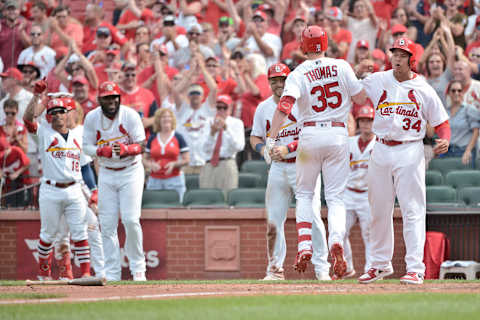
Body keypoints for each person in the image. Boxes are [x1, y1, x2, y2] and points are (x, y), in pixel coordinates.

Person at [267, 26, 366, 279]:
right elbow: (361, 99)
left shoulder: (298, 72)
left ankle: (304, 245)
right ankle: (336, 242)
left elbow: (284, 107)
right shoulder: (342, 66)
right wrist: (363, 79)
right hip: (337, 134)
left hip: (309, 135)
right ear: (326, 43)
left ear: (302, 46)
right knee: (335, 198)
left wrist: (271, 138)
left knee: (304, 194)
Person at [357, 37, 450, 285]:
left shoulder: (423, 88)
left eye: (402, 54)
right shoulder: (379, 80)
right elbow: (355, 93)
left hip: (410, 148)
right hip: (381, 148)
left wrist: (445, 139)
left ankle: (415, 268)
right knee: (378, 209)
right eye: (394, 54)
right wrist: (357, 72)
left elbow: (441, 122)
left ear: (412, 59)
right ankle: (378, 264)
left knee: (412, 210)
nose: (396, 58)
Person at [251, 63, 331, 281]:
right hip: (277, 167)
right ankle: (275, 269)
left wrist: (288, 147)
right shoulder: (263, 108)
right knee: (273, 221)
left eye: (282, 79)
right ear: (269, 83)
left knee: (312, 217)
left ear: (289, 81)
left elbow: (311, 134)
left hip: (303, 162)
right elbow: (255, 136)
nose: (278, 84)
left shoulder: (302, 103)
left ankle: (322, 268)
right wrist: (263, 150)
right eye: (274, 80)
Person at [23, 82, 91, 280]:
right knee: (48, 234)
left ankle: (86, 273)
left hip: (74, 189)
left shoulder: (79, 132)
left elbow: (87, 163)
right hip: (51, 189)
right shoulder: (44, 133)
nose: (59, 115)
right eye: (54, 111)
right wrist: (37, 96)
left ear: (68, 113)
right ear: (49, 115)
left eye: (62, 111)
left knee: (79, 232)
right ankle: (43, 273)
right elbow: (27, 118)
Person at [83, 81, 147, 281]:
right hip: (107, 172)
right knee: (108, 224)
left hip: (131, 170)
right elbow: (86, 146)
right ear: (99, 99)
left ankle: (138, 269)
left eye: (114, 97)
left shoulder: (130, 115)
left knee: (130, 219)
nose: (111, 101)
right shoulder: (92, 117)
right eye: (107, 98)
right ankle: (112, 273)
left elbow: (142, 144)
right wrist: (100, 151)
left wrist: (127, 149)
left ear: (119, 98)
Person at [53, 96, 105, 280]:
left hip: (79, 186)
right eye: (63, 110)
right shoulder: (52, 134)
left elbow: (86, 166)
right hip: (56, 188)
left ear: (77, 112)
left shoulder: (82, 132)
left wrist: (94, 190)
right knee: (61, 233)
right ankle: (65, 273)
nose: (66, 114)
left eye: (69, 110)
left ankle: (100, 271)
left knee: (92, 227)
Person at [342, 105, 375, 279]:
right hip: (349, 192)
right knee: (340, 232)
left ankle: (371, 269)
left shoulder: (379, 143)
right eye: (362, 120)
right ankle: (347, 267)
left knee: (368, 234)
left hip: (367, 194)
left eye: (369, 120)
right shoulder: (350, 142)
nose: (365, 124)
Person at [199, 94, 245, 196]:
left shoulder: (237, 123)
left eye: (225, 107)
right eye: (219, 107)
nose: (222, 110)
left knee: (227, 197)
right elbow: (203, 149)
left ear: (231, 108)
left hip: (227, 163)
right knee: (206, 198)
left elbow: (239, 147)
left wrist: (226, 129)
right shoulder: (208, 122)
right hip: (209, 164)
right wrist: (212, 133)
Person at [144, 108, 190, 202]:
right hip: (154, 181)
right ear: (158, 120)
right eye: (163, 117)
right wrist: (150, 165)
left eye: (169, 117)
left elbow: (187, 160)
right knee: (155, 208)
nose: (166, 119)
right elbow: (144, 159)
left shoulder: (178, 137)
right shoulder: (152, 138)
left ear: (172, 119)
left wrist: (174, 164)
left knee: (176, 208)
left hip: (175, 180)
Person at [440, 80, 480, 167]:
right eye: (453, 90)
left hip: (463, 151)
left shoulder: (469, 109)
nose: (456, 93)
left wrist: (468, 151)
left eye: (459, 90)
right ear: (449, 93)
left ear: (463, 92)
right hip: (447, 152)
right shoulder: (445, 112)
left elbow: (476, 132)